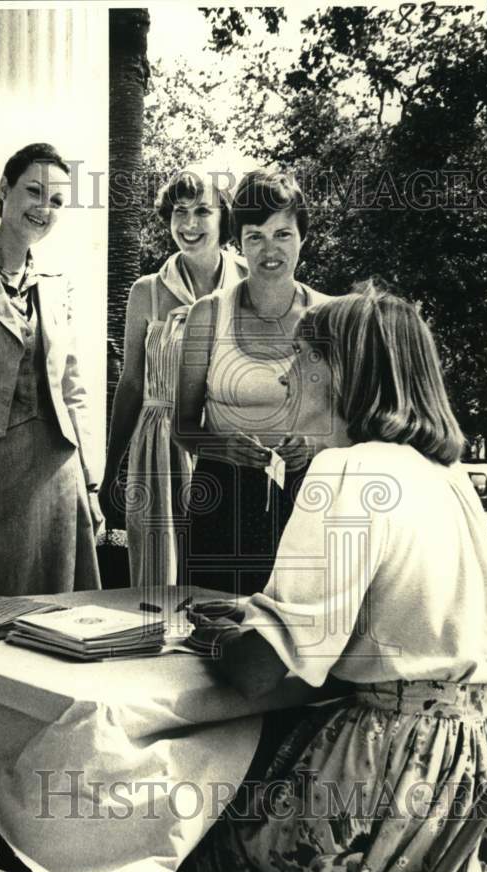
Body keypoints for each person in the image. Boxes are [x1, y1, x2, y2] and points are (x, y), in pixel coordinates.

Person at [189, 284, 487, 872]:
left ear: (340, 372)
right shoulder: (445, 474)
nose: (283, 375)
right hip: (470, 788)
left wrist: (214, 637)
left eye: (299, 358)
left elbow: (257, 674)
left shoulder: (343, 470)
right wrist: (266, 618)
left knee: (189, 826)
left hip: (390, 785)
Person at [0, 142, 103, 872]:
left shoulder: (56, 284)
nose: (43, 207)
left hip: (59, 478)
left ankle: (7, 813)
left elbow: (73, 389)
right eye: (32, 190)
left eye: (57, 198)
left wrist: (93, 486)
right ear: (2, 191)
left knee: (45, 660)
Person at [172, 169, 334, 596]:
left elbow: (359, 426)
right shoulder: (206, 314)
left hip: (309, 503)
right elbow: (182, 425)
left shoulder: (334, 318)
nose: (270, 250)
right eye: (255, 236)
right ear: (237, 241)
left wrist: (316, 445)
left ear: (303, 237)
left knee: (300, 644)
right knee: (209, 637)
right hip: (221, 501)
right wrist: (222, 446)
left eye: (283, 234)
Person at [99, 167, 247, 587]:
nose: (189, 224)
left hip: (225, 448)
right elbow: (130, 384)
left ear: (224, 219)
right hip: (158, 455)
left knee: (221, 582)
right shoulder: (146, 291)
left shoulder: (251, 285)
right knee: (157, 587)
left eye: (203, 211)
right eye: (179, 211)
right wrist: (112, 471)